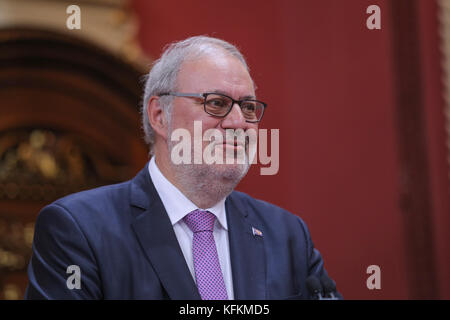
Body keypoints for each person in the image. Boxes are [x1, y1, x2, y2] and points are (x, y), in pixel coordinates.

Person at [25, 36, 338, 300]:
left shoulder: (286, 235)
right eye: (216, 103)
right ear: (161, 116)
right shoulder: (79, 230)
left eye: (248, 107)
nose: (237, 123)